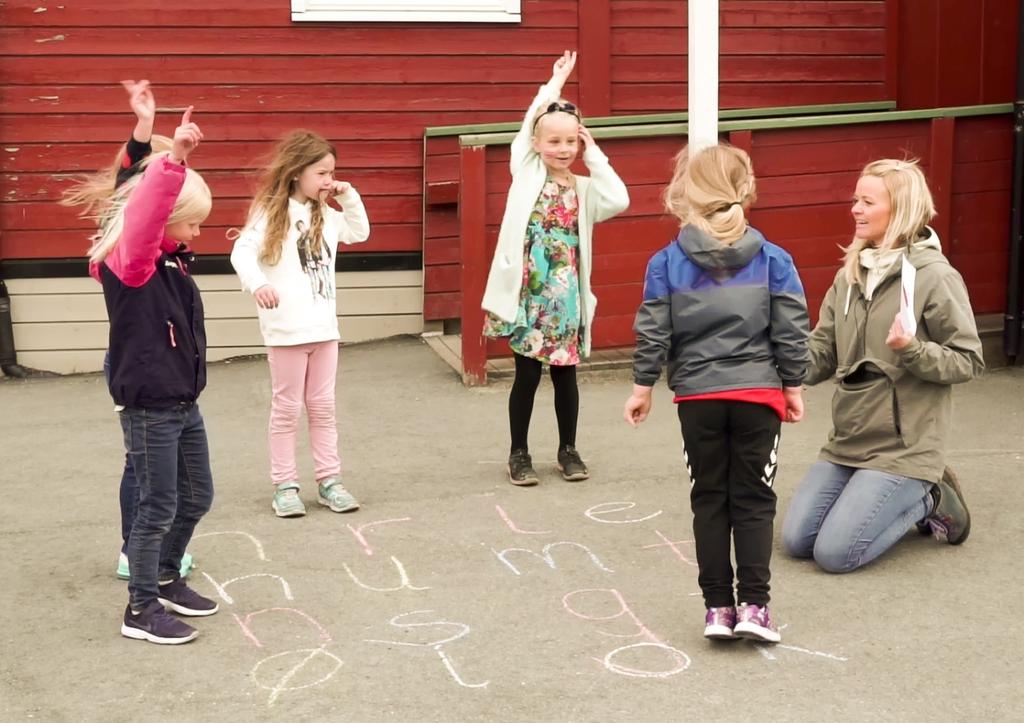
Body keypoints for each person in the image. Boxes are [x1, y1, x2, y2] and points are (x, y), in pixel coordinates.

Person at [624, 143, 809, 643]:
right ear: (745, 190)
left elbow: (654, 331)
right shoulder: (774, 259)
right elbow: (791, 330)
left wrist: (643, 386)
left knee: (708, 499)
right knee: (753, 499)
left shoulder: (666, 262)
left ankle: (717, 610)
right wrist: (793, 384)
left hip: (698, 399)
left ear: (686, 192)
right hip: (758, 396)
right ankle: (755, 607)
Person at [781, 158, 984, 574]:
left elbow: (968, 360)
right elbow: (823, 350)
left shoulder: (935, 277)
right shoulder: (850, 275)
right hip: (850, 438)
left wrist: (912, 349)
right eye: (855, 199)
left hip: (905, 448)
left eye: (867, 201)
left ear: (901, 209)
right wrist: (780, 363)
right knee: (797, 541)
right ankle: (879, 494)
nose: (855, 209)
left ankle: (930, 497)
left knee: (836, 555)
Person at [90, 107, 219, 644]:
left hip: (182, 400)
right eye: (191, 221)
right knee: (155, 507)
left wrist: (144, 135)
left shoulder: (170, 257)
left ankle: (166, 576)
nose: (196, 232)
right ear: (162, 217)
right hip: (150, 404)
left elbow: (128, 190)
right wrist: (177, 160)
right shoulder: (131, 261)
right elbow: (137, 212)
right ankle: (140, 609)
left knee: (197, 496)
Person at [60, 79, 195, 581]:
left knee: (157, 466)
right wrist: (160, 151)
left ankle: (149, 545)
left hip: (162, 365)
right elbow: (136, 195)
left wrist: (145, 126)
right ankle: (133, 546)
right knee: (142, 467)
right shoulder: (126, 246)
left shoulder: (167, 247)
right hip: (139, 366)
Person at [482, 50, 629, 486]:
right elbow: (532, 120)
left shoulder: (585, 190)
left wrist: (596, 153)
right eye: (555, 141)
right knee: (526, 375)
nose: (563, 149)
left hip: (565, 300)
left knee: (566, 376)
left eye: (571, 142)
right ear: (536, 144)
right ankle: (519, 453)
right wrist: (554, 87)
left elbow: (619, 198)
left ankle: (568, 449)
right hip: (529, 297)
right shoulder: (526, 174)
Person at [230, 130, 370, 518]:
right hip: (287, 331)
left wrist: (348, 196)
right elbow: (242, 253)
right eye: (322, 173)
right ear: (296, 172)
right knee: (287, 409)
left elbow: (359, 232)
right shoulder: (269, 213)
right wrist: (258, 284)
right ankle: (285, 485)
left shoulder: (327, 214)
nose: (328, 180)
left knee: (323, 407)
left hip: (324, 330)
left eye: (332, 173)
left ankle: (329, 481)